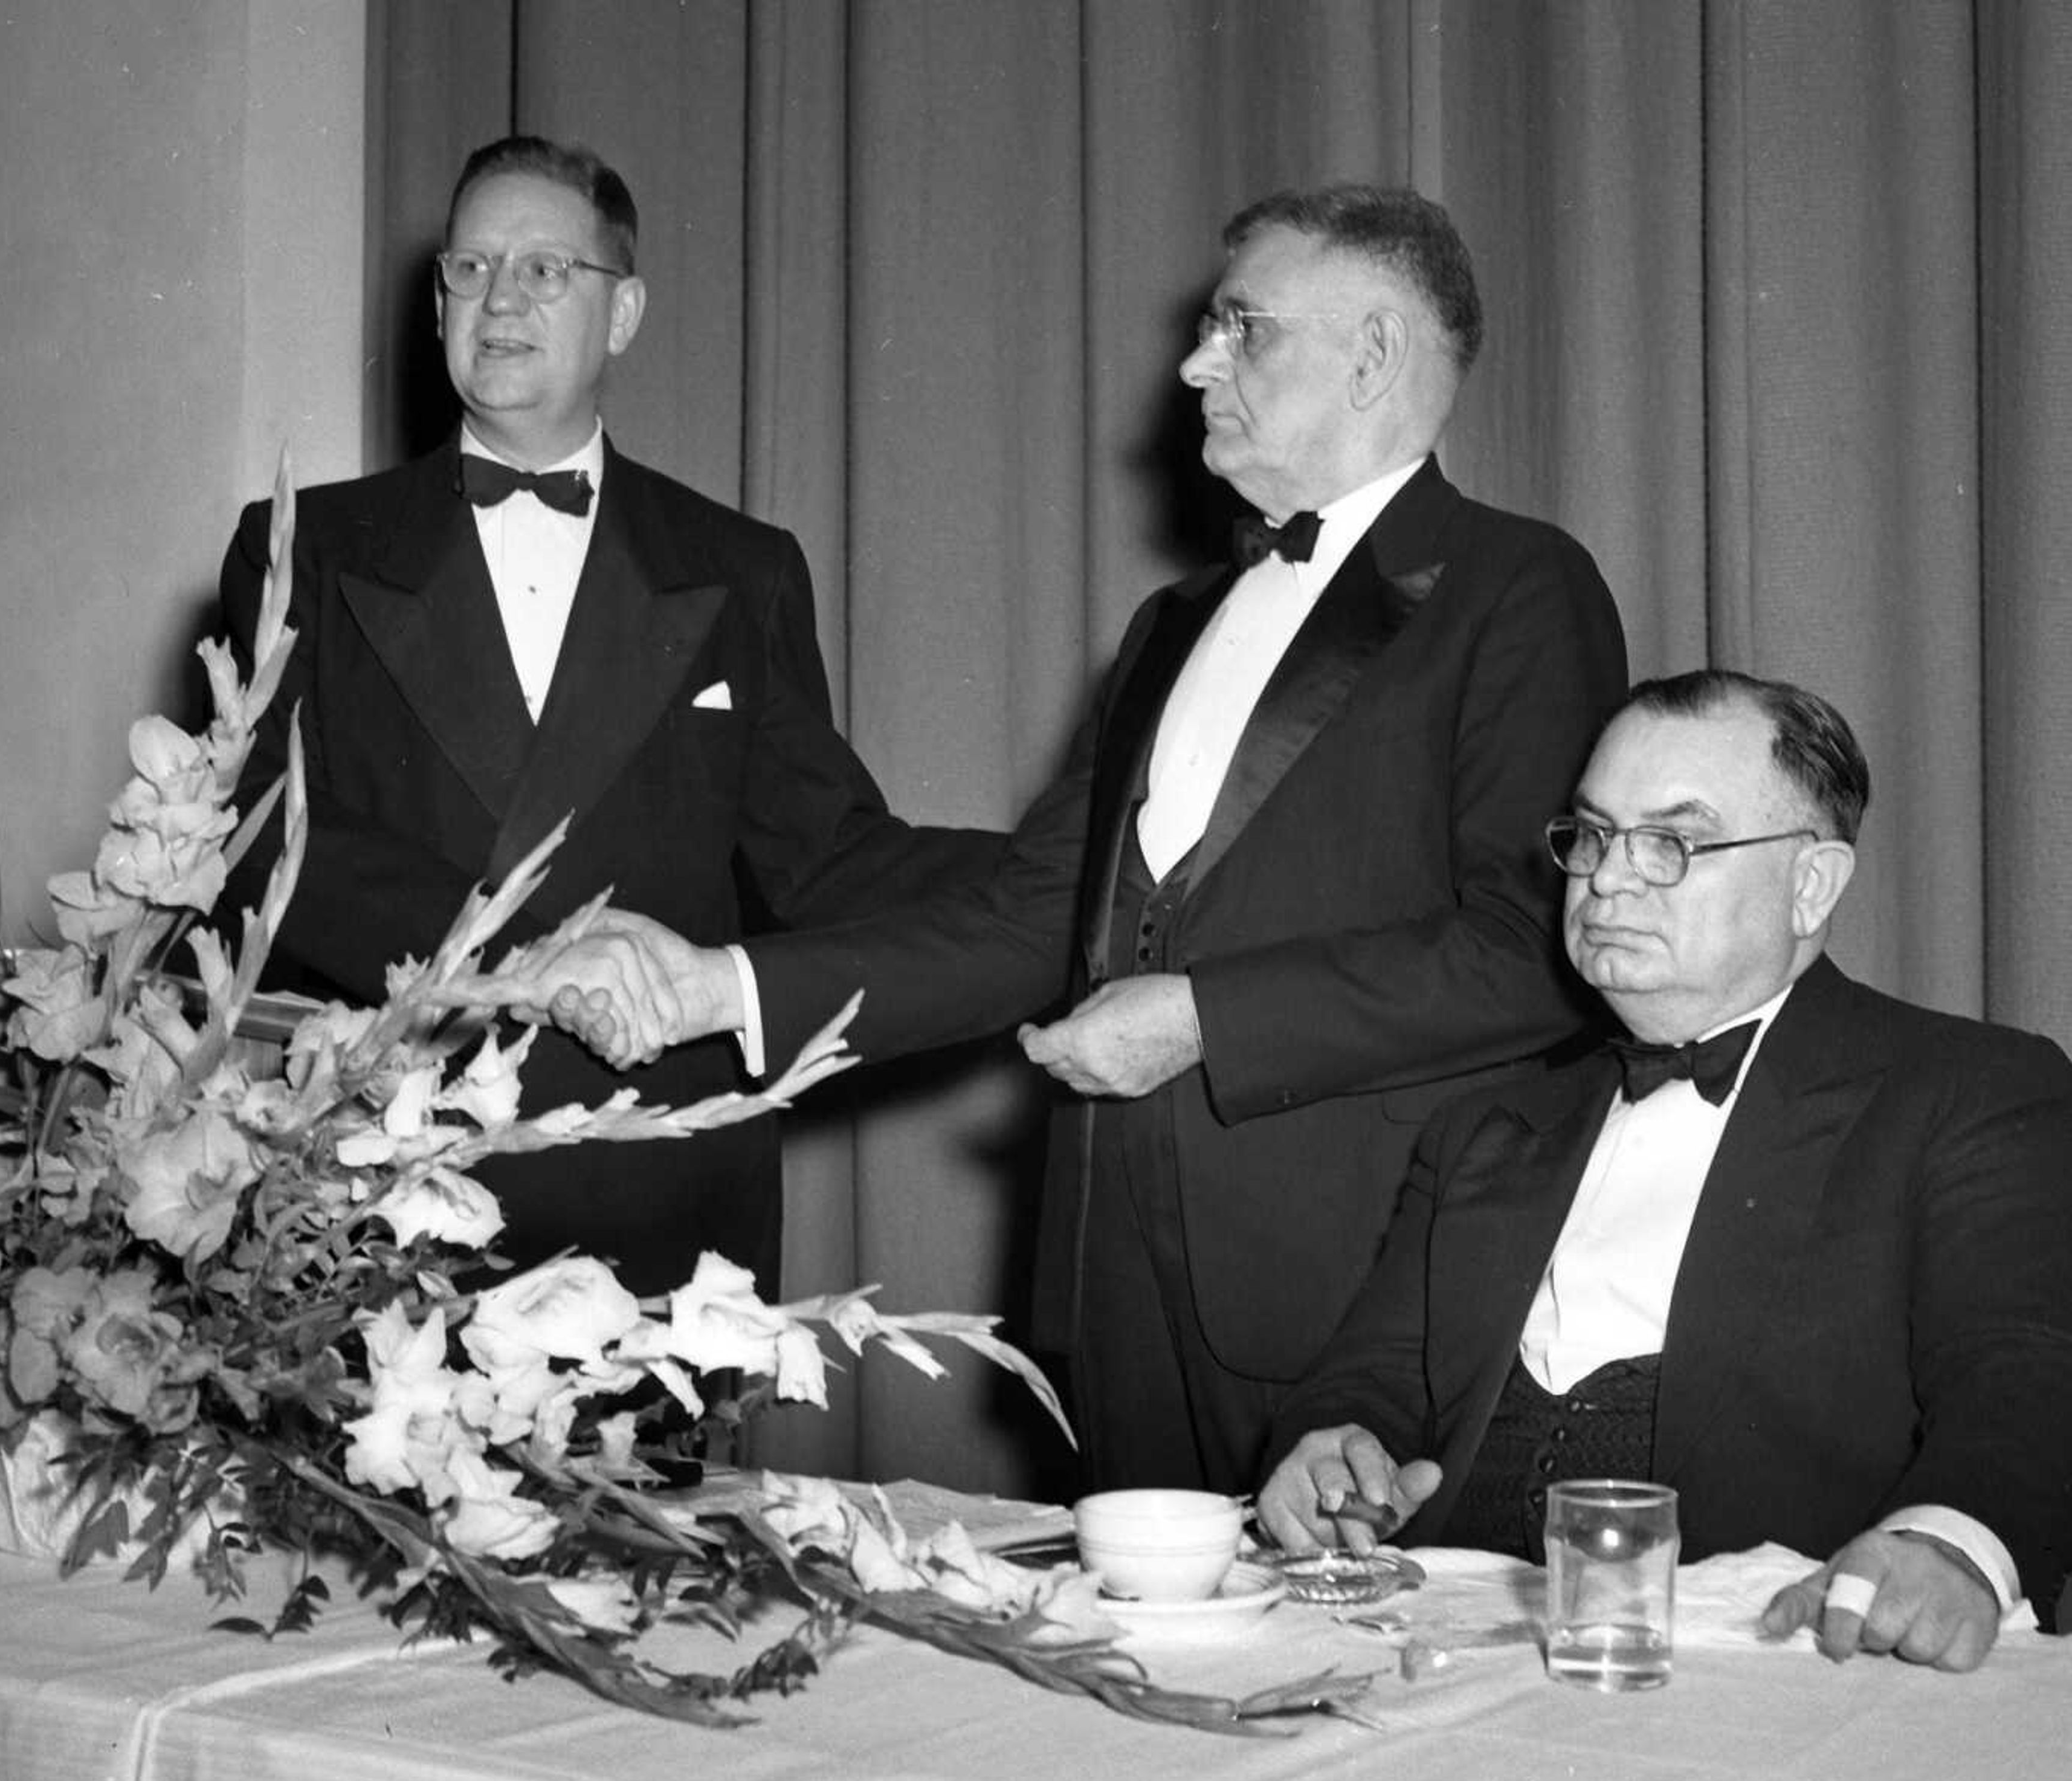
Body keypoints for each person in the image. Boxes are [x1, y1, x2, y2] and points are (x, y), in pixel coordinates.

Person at [570, 184, 1628, 1492]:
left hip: (1358, 1303)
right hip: (1116, 1295)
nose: (1194, 364)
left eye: (1241, 326)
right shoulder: (1172, 624)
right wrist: (713, 988)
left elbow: (1538, 949)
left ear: (1374, 354)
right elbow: (1031, 921)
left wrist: (1204, 1016)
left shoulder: (1521, 588)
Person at [215, 134, 998, 1296]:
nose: (500, 300)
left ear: (622, 313)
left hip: (662, 1200)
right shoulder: (306, 547)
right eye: (470, 270)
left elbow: (825, 856)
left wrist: (1062, 889)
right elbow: (260, 844)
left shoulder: (744, 568)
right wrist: (516, 947)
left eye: (545, 271)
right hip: (385, 1180)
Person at [1256, 671, 2072, 1672]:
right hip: (1442, 1649)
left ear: (1811, 884)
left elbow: (2024, 1373)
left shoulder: (1969, 1088)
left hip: (1764, 1672)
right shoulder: (1486, 1121)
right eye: (1592, 837)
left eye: (1672, 844)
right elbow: (1372, 1375)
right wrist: (1332, 1447)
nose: (1605, 881)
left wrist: (1950, 1543)